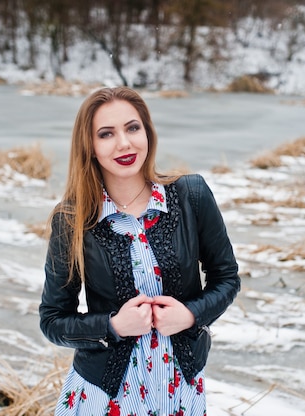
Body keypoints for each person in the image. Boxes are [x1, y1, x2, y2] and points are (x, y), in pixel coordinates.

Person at [39, 86, 240, 416]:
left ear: (148, 132)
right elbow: (53, 320)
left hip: (179, 392)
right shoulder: (72, 219)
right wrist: (113, 326)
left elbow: (227, 279)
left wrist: (190, 315)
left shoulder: (192, 196)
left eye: (133, 128)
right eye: (106, 134)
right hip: (103, 395)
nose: (124, 143)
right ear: (89, 147)